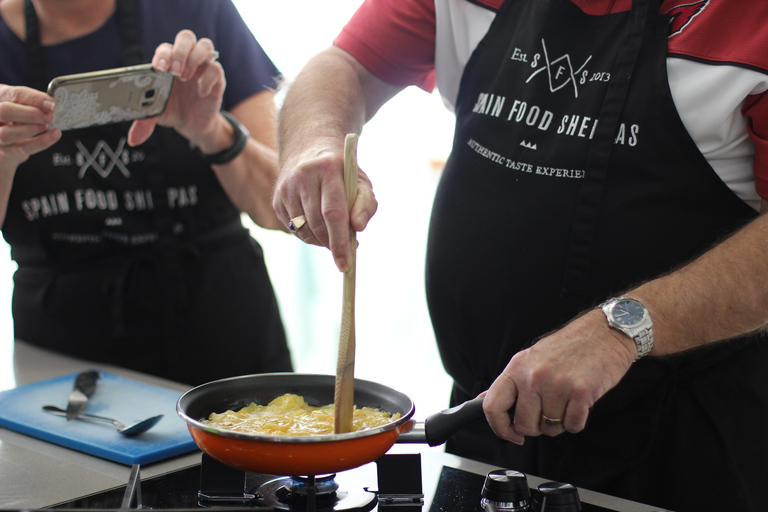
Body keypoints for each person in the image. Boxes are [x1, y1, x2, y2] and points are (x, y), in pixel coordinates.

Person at [273, 0, 768, 510]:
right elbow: (344, 65)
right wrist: (312, 143)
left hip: (678, 445)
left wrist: (622, 329)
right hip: (481, 423)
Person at [0, 0, 293, 386]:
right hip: (66, 368)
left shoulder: (195, 11)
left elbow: (284, 211)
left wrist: (210, 131)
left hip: (225, 331)